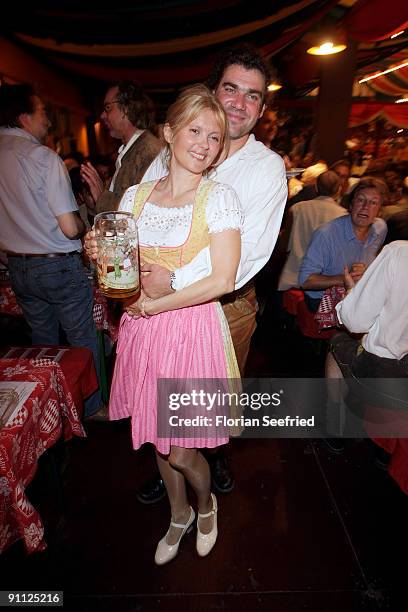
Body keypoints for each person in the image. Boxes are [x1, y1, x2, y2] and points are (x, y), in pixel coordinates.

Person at [86, 84, 242, 564]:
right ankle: (178, 515)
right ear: (169, 133)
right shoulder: (135, 196)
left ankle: (205, 504)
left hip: (190, 332)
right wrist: (100, 254)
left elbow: (222, 278)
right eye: (195, 130)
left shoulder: (219, 198)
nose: (204, 143)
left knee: (180, 450)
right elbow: (120, 269)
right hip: (142, 333)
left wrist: (157, 303)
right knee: (157, 437)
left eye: (215, 137)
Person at [138, 44, 287, 499]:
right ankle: (172, 465)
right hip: (159, 305)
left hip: (226, 308)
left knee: (207, 405)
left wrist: (173, 281)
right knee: (163, 393)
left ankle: (210, 460)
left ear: (262, 108)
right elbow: (142, 208)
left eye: (254, 95)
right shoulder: (177, 145)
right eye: (231, 89)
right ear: (213, 91)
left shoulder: (265, 170)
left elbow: (251, 255)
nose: (240, 103)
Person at [0, 84, 100, 416]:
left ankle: (54, 407)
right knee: (81, 339)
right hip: (57, 264)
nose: (49, 120)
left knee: (44, 343)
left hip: (18, 265)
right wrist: (86, 226)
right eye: (43, 112)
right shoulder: (42, 157)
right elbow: (70, 227)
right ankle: (91, 407)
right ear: (24, 117)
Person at [299, 177, 388, 313]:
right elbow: (305, 281)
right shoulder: (326, 234)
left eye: (373, 203)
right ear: (351, 205)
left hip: (355, 292)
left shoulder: (380, 229)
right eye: (360, 200)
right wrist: (344, 279)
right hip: (321, 299)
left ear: (379, 211)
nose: (365, 207)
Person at [80, 80, 162, 214]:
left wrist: (102, 196)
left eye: (107, 108)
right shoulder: (132, 149)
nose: (102, 115)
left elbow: (140, 212)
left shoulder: (148, 151)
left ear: (126, 109)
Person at [278, 171, 347, 291]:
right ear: (338, 190)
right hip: (322, 284)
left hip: (291, 279)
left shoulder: (296, 209)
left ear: (315, 188)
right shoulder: (344, 216)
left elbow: (283, 246)